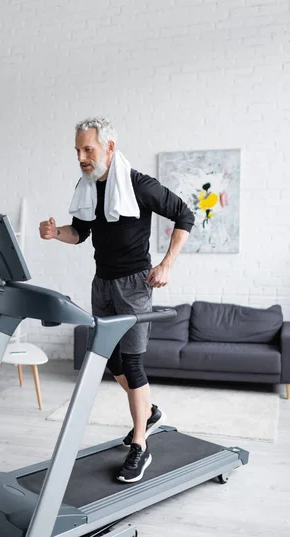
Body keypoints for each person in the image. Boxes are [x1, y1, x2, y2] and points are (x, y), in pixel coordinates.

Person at [39, 117, 194, 483]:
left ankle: (140, 444)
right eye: (77, 150)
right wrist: (54, 232)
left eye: (87, 149)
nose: (81, 157)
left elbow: (184, 215)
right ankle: (150, 411)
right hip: (102, 284)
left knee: (133, 363)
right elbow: (80, 232)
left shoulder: (139, 185)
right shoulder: (88, 187)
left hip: (135, 286)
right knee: (111, 360)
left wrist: (167, 263)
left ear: (109, 147)